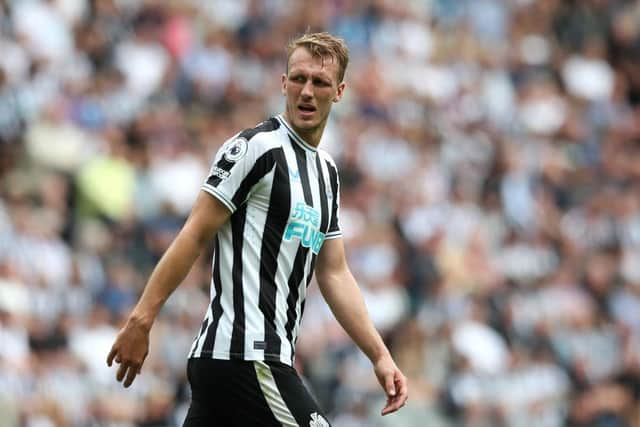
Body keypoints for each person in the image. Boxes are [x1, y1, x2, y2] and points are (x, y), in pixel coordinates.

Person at [107, 32, 408, 426]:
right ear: (283, 83)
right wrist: (141, 320)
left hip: (246, 362)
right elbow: (194, 234)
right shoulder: (255, 149)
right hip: (245, 356)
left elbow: (334, 271)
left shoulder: (326, 173)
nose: (306, 91)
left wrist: (380, 355)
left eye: (319, 82)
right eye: (298, 78)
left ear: (339, 92)